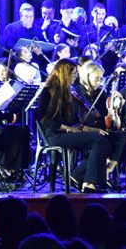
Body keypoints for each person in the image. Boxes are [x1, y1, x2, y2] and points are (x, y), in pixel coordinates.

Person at [35, 59, 114, 192]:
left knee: (104, 139)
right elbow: (46, 120)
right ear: (64, 74)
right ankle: (89, 183)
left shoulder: (67, 91)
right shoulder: (49, 91)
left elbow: (72, 120)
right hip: (54, 135)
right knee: (99, 141)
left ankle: (77, 176)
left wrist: (91, 128)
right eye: (73, 73)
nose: (76, 76)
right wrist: (69, 129)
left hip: (65, 133)